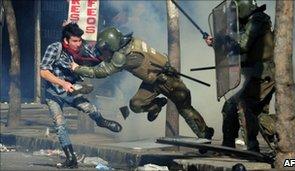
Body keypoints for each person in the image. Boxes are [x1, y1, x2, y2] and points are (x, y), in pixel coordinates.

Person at [71, 27, 214, 141]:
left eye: (106, 50)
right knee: (136, 104)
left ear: (112, 45)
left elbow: (102, 72)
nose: (105, 53)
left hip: (168, 81)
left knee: (184, 108)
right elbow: (103, 57)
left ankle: (204, 135)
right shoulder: (132, 43)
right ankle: (157, 105)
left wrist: (77, 68)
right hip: (152, 80)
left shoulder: (124, 56)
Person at [40, 23, 122, 168]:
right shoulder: (54, 48)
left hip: (72, 91)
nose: (78, 44)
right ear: (66, 40)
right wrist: (62, 83)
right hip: (53, 93)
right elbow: (43, 72)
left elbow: (97, 55)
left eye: (79, 40)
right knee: (60, 125)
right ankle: (71, 158)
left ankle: (101, 121)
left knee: (89, 108)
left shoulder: (81, 49)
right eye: (75, 41)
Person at [205, 0, 275, 152]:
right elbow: (234, 46)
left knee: (242, 105)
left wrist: (223, 40)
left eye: (235, 11)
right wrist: (216, 42)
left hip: (264, 75)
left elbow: (242, 45)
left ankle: (252, 147)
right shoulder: (250, 22)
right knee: (232, 107)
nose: (233, 15)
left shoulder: (257, 20)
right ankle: (228, 147)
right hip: (255, 75)